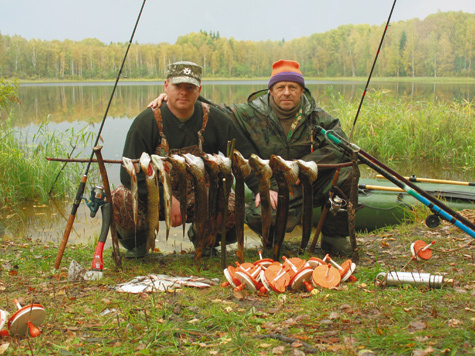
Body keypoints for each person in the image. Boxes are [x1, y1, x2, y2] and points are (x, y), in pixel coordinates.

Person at [148, 59, 355, 256]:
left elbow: (342, 148)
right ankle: (258, 238)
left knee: (347, 173)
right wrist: (177, 98)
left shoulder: (318, 117)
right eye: (280, 87)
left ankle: (335, 237)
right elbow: (214, 111)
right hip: (273, 185)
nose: (286, 93)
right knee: (264, 217)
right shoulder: (250, 112)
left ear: (302, 90)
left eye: (293, 87)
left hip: (309, 181)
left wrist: (305, 166)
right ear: (271, 89)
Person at [112, 61, 259, 258]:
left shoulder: (215, 119)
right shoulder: (146, 121)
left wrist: (261, 189)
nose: (183, 92)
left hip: (198, 196)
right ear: (166, 86)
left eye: (189, 88)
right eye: (178, 86)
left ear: (199, 90)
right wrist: (167, 198)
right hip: (154, 196)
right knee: (121, 197)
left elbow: (244, 156)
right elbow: (126, 173)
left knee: (232, 203)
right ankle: (138, 244)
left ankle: (204, 240)